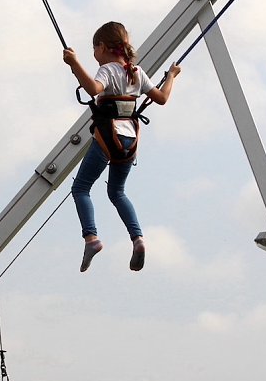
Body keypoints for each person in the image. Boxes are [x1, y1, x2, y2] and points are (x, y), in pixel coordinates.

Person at [63, 21, 181, 272]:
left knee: (81, 188)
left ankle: (91, 238)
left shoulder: (107, 70)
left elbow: (93, 89)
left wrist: (75, 65)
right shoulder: (136, 72)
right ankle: (138, 238)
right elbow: (161, 98)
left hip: (107, 137)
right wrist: (170, 76)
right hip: (130, 141)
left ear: (103, 47)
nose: (93, 56)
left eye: (94, 50)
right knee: (117, 192)